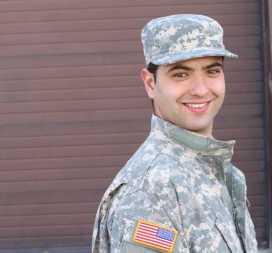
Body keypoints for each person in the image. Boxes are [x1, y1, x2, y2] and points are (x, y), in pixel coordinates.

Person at [92, 14, 258, 253]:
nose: (201, 90)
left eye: (212, 71)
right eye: (181, 74)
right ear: (150, 83)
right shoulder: (151, 192)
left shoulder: (216, 170)